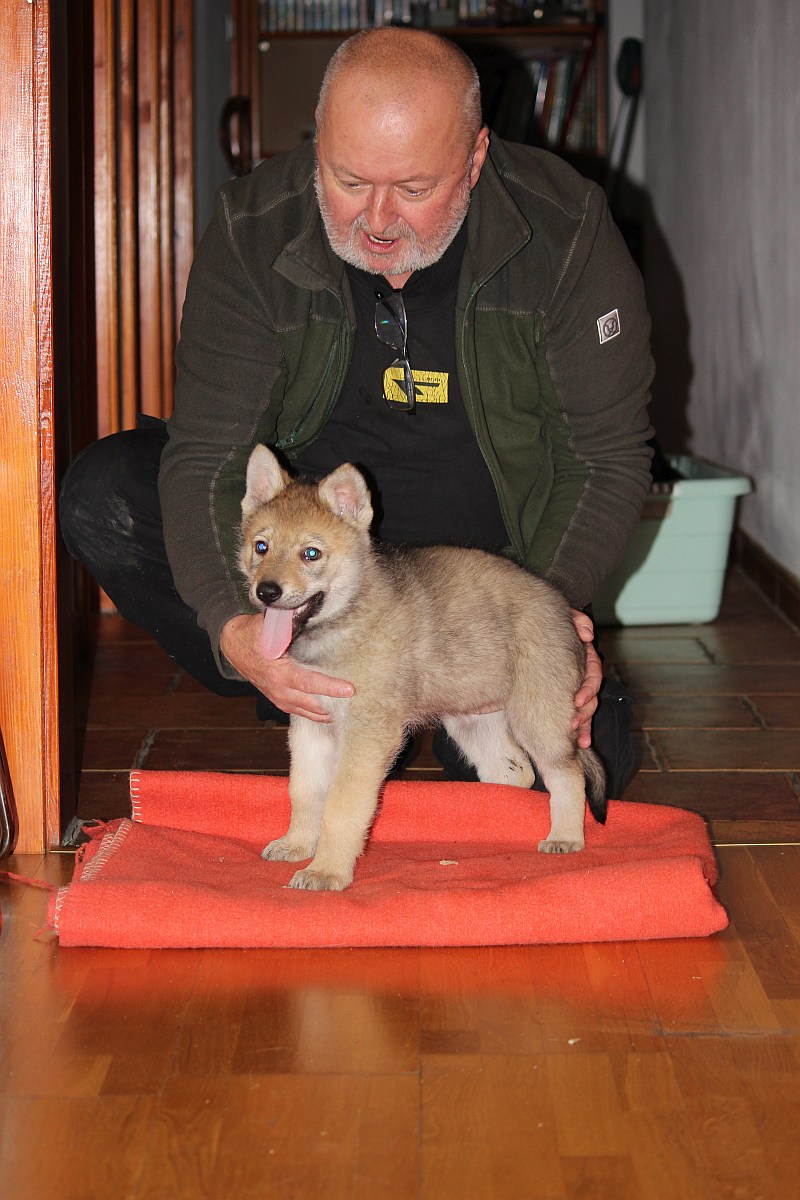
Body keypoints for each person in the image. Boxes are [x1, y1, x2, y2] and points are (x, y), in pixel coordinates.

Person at [60, 28, 654, 795]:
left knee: (562, 773)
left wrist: (543, 616)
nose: (376, 219)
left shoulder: (566, 232)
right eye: (347, 180)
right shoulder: (253, 226)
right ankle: (317, 688)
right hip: (313, 563)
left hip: (483, 586)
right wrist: (234, 626)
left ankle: (417, 703)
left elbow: (605, 458)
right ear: (317, 143)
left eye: (414, 190)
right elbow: (208, 454)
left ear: (475, 158)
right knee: (105, 496)